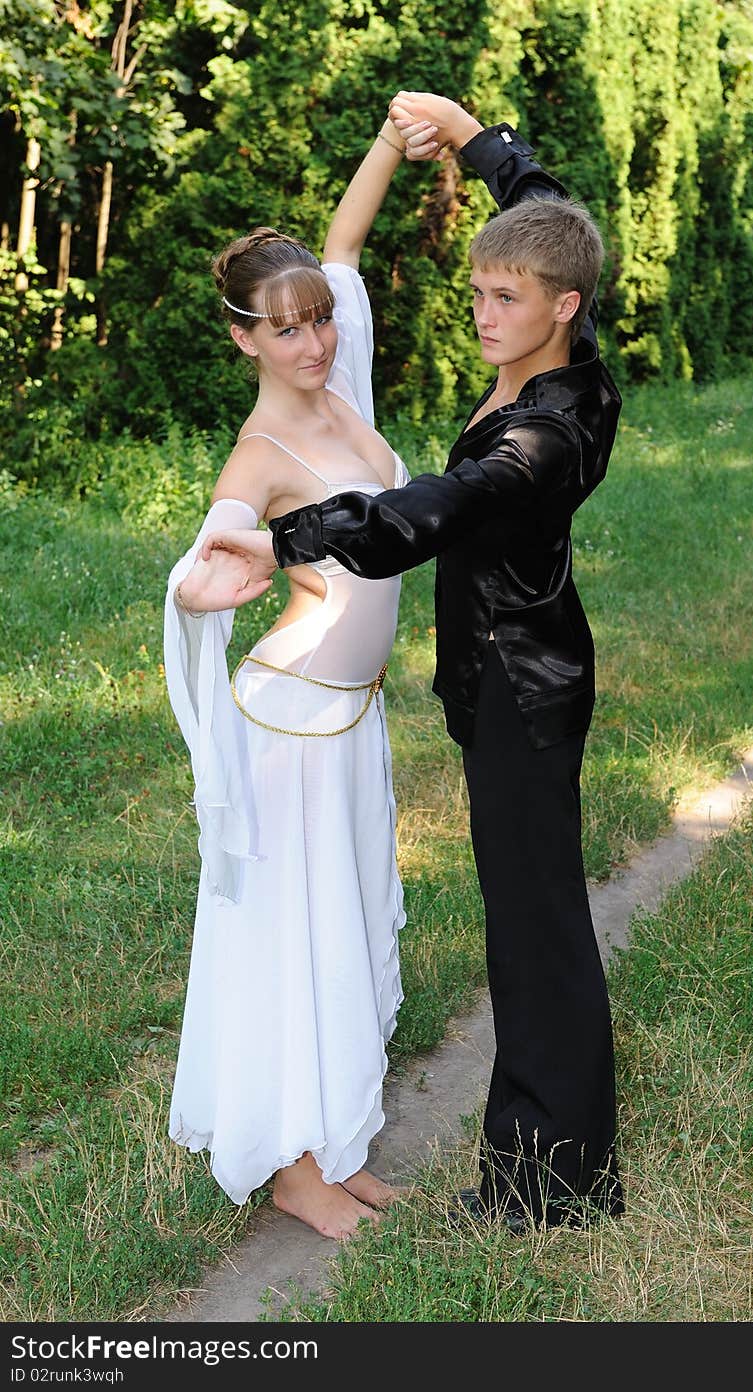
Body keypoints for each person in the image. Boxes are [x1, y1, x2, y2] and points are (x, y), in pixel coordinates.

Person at [203, 93, 625, 1230]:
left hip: (522, 700)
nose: (481, 312)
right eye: (478, 290)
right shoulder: (559, 291)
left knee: (534, 930)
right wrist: (469, 137)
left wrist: (290, 537)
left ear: (563, 309)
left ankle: (544, 1182)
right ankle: (517, 1162)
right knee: (524, 921)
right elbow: (541, 207)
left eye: (504, 299)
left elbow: (431, 507)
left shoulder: (549, 429)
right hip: (446, 695)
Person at [163, 111, 443, 1241]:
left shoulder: (346, 388)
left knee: (347, 918)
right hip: (289, 726)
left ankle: (331, 1138)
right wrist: (199, 588)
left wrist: (389, 140)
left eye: (321, 323)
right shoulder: (260, 455)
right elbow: (207, 556)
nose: (315, 343)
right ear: (246, 341)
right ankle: (288, 1167)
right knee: (292, 931)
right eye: (288, 332)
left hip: (352, 719)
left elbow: (344, 242)